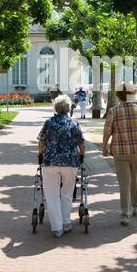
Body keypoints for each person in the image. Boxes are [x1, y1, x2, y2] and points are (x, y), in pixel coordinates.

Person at [102, 82, 137, 226]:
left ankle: (125, 213)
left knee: (124, 182)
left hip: (120, 151)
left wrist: (105, 147)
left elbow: (107, 132)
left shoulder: (113, 111)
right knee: (136, 178)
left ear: (118, 96)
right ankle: (135, 205)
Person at [37, 95, 85, 237]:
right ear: (69, 108)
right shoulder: (74, 123)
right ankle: (66, 222)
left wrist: (40, 155)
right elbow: (81, 143)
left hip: (50, 161)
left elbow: (41, 142)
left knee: (51, 194)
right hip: (70, 162)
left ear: (56, 108)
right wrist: (82, 156)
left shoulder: (49, 122)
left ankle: (57, 227)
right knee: (67, 192)